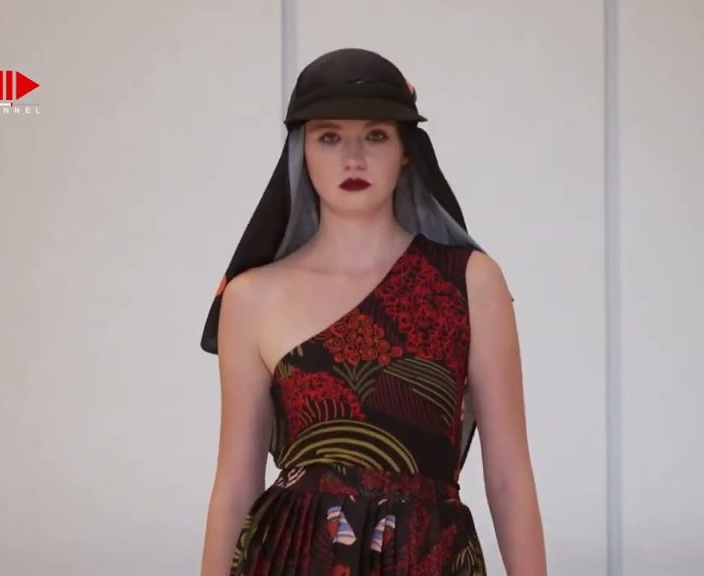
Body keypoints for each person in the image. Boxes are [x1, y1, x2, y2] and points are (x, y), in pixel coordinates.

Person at [199, 48, 546, 576]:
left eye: (376, 135)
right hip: (294, 559)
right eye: (329, 137)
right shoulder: (251, 298)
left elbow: (508, 476)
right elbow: (235, 484)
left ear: (406, 150)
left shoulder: (471, 282)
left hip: (426, 557)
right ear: (301, 149)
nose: (353, 158)